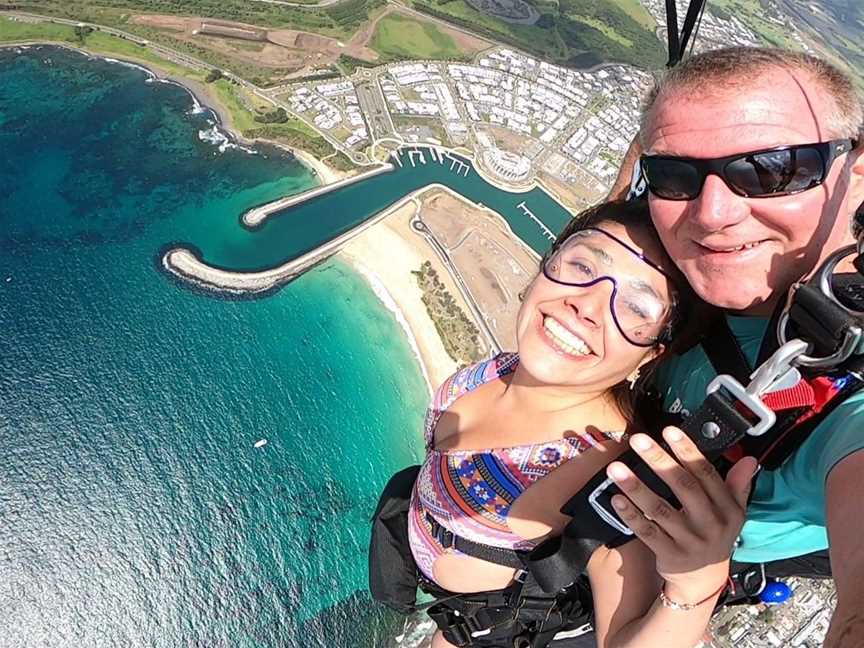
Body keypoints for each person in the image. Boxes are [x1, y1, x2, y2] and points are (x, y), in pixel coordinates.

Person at [398, 199, 758, 648]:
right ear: (548, 263)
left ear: (652, 352)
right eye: (583, 264)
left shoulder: (611, 481)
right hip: (443, 607)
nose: (585, 305)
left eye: (636, 307)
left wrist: (696, 585)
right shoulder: (500, 371)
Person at [611, 46, 864, 647]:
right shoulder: (651, 243)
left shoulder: (848, 396)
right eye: (676, 175)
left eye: (770, 169)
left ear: (855, 177)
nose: (713, 213)